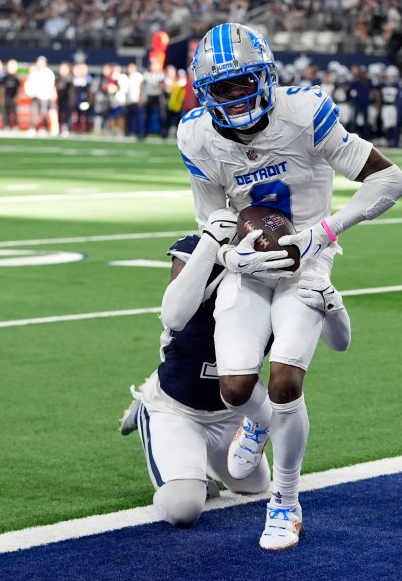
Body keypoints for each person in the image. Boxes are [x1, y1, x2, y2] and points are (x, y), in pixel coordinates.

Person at [178, 23, 402, 550]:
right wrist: (229, 249)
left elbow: (390, 180)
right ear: (203, 93)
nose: (236, 96)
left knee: (285, 380)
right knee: (235, 388)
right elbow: (210, 216)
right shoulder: (194, 133)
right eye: (222, 87)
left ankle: (285, 500)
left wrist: (321, 234)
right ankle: (258, 425)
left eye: (245, 83)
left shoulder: (303, 112)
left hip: (309, 264)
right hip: (250, 265)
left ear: (267, 77)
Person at [119, 211, 351, 529]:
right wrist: (211, 243)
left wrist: (333, 304)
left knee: (252, 487)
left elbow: (339, 342)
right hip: (178, 407)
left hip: (233, 413)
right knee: (183, 508)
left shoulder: (288, 270)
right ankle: (149, 408)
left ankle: (198, 461)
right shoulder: (203, 249)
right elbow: (173, 316)